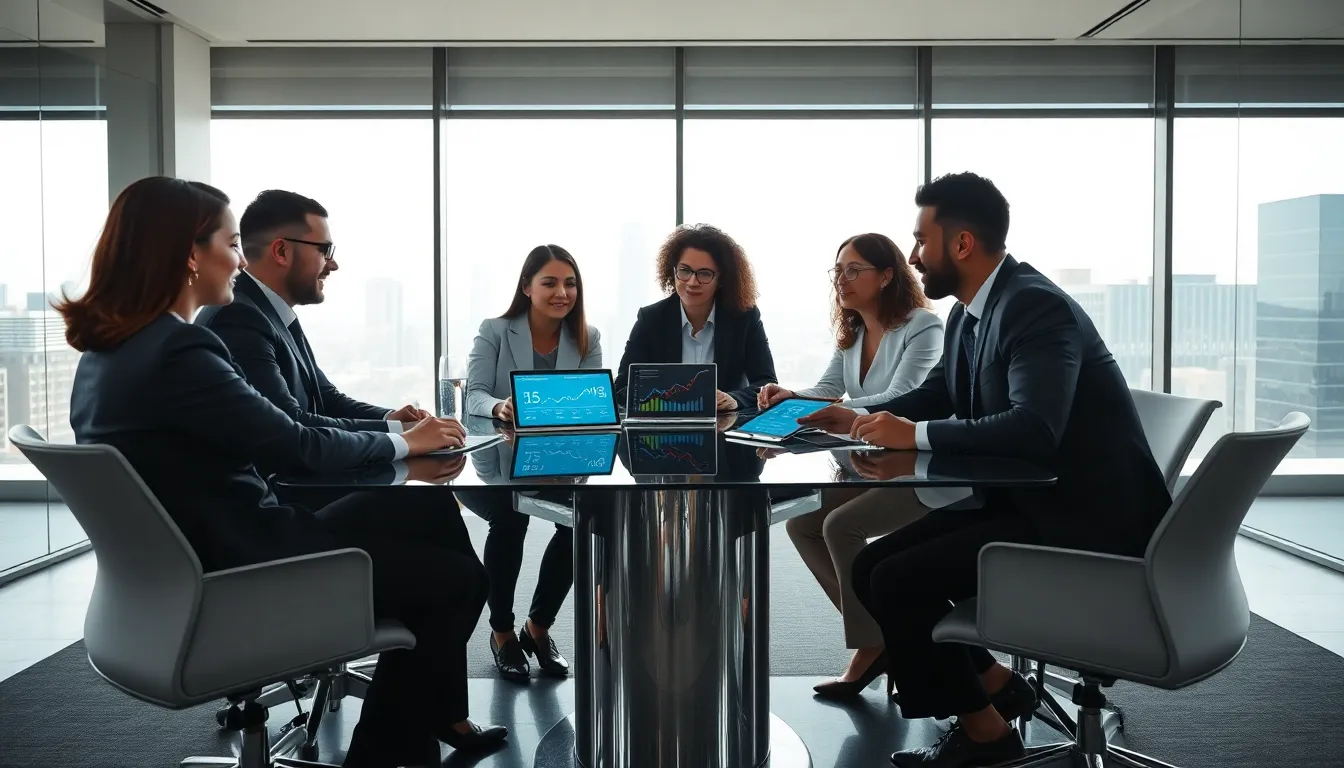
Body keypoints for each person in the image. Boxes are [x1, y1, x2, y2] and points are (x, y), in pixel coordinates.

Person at [58, 176, 507, 767]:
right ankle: (382, 756)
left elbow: (297, 419)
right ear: (190, 255)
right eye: (230, 244)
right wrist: (402, 441)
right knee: (457, 580)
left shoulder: (110, 352)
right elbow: (294, 444)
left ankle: (430, 716)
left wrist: (397, 436)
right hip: (245, 574)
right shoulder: (181, 351)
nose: (239, 259)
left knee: (424, 505)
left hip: (197, 563)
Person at [798, 172, 1171, 768]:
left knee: (898, 581)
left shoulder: (1034, 306)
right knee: (871, 568)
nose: (914, 256)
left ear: (963, 244)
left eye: (921, 240)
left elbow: (1034, 428)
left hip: (1083, 522)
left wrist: (911, 435)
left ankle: (985, 737)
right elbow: (940, 392)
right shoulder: (971, 313)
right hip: (1027, 504)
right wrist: (858, 419)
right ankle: (997, 686)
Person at [755, 233, 943, 699]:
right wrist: (790, 397)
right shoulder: (854, 332)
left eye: (853, 270)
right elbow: (827, 390)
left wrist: (838, 410)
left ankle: (873, 646)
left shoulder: (922, 326)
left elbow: (904, 398)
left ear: (887, 276)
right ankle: (880, 636)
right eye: (838, 271)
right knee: (802, 523)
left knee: (839, 525)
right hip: (868, 465)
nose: (842, 279)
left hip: (916, 470)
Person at [457, 245, 600, 682]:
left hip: (558, 459)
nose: (562, 292)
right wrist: (499, 406)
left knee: (580, 520)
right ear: (526, 287)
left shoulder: (588, 337)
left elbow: (591, 403)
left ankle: (537, 628)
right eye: (550, 282)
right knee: (510, 516)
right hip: (496, 460)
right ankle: (501, 632)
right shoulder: (496, 330)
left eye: (570, 283)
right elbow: (473, 395)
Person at [195, 189, 428, 450]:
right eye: (325, 250)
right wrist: (404, 437)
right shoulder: (239, 317)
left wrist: (392, 420)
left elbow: (325, 398)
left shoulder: (270, 311)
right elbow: (292, 425)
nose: (333, 264)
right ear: (281, 251)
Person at [612, 223, 777, 412]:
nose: (692, 282)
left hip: (727, 425)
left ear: (721, 279)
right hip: (666, 427)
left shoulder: (744, 318)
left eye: (705, 274)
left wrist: (734, 399)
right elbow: (622, 389)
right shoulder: (651, 319)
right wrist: (669, 399)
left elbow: (767, 384)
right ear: (673, 271)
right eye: (684, 271)